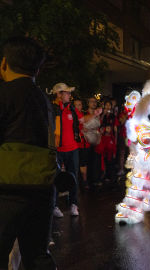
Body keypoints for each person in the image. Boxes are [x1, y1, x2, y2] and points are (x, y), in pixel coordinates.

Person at [0, 36, 57, 269]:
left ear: (4, 64)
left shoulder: (4, 93)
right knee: (37, 254)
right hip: (42, 187)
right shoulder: (44, 99)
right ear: (39, 69)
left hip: (6, 189)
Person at [51, 82, 83, 217]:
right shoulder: (52, 109)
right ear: (59, 94)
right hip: (57, 149)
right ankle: (54, 206)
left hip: (73, 149)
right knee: (55, 178)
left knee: (73, 177)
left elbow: (82, 120)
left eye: (70, 92)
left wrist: (95, 115)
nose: (70, 95)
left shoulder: (72, 109)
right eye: (67, 92)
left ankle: (73, 204)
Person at [74, 99, 90, 189]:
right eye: (76, 105)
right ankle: (82, 181)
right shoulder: (75, 115)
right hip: (77, 144)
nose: (78, 107)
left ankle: (84, 181)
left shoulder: (83, 114)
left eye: (79, 105)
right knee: (78, 164)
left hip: (83, 143)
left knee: (83, 163)